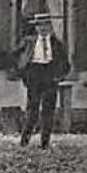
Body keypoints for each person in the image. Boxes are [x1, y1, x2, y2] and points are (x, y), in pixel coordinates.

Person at [15, 13, 70, 150]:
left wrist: (59, 77)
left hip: (50, 76)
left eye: (45, 25)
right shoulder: (28, 41)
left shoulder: (57, 44)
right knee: (32, 110)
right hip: (34, 76)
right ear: (36, 28)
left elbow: (66, 64)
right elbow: (14, 56)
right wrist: (23, 74)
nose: (43, 28)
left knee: (48, 111)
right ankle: (24, 141)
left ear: (50, 27)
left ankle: (45, 143)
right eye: (39, 25)